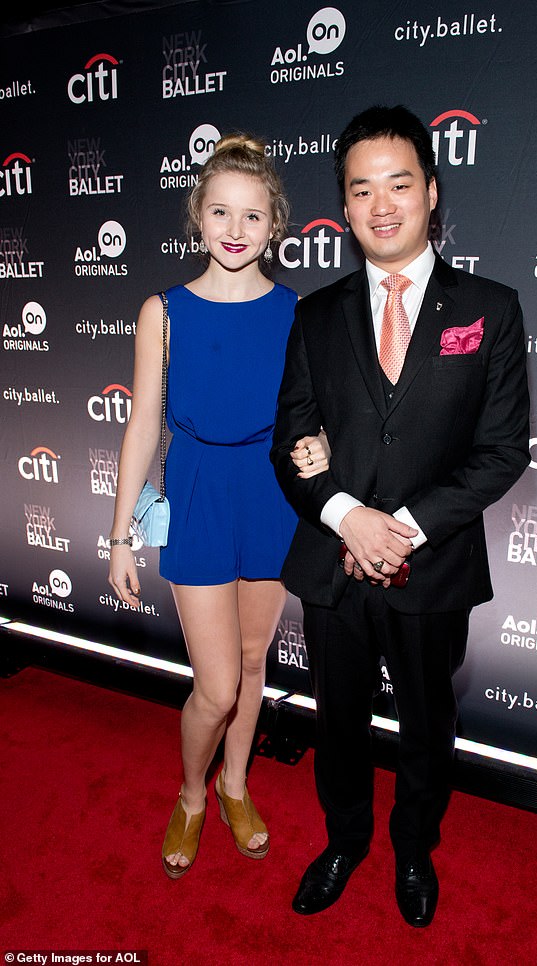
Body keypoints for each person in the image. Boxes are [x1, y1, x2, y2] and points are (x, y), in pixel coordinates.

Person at [271, 105, 530, 926]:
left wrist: (402, 527)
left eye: (399, 184)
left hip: (434, 564)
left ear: (431, 193)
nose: (381, 205)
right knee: (336, 717)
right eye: (361, 189)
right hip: (333, 567)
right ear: (343, 208)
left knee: (427, 722)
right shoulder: (313, 315)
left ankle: (415, 849)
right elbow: (290, 441)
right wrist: (348, 516)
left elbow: (501, 452)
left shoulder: (490, 308)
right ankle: (344, 840)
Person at [108, 133, 329, 879]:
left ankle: (238, 787)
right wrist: (119, 538)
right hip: (198, 494)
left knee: (251, 657)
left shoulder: (298, 313)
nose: (236, 231)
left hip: (271, 499)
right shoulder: (163, 311)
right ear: (196, 217)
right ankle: (193, 793)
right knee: (216, 686)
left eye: (253, 216)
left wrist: (318, 451)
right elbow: (143, 424)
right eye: (221, 213)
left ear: (276, 225)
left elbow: (312, 418)